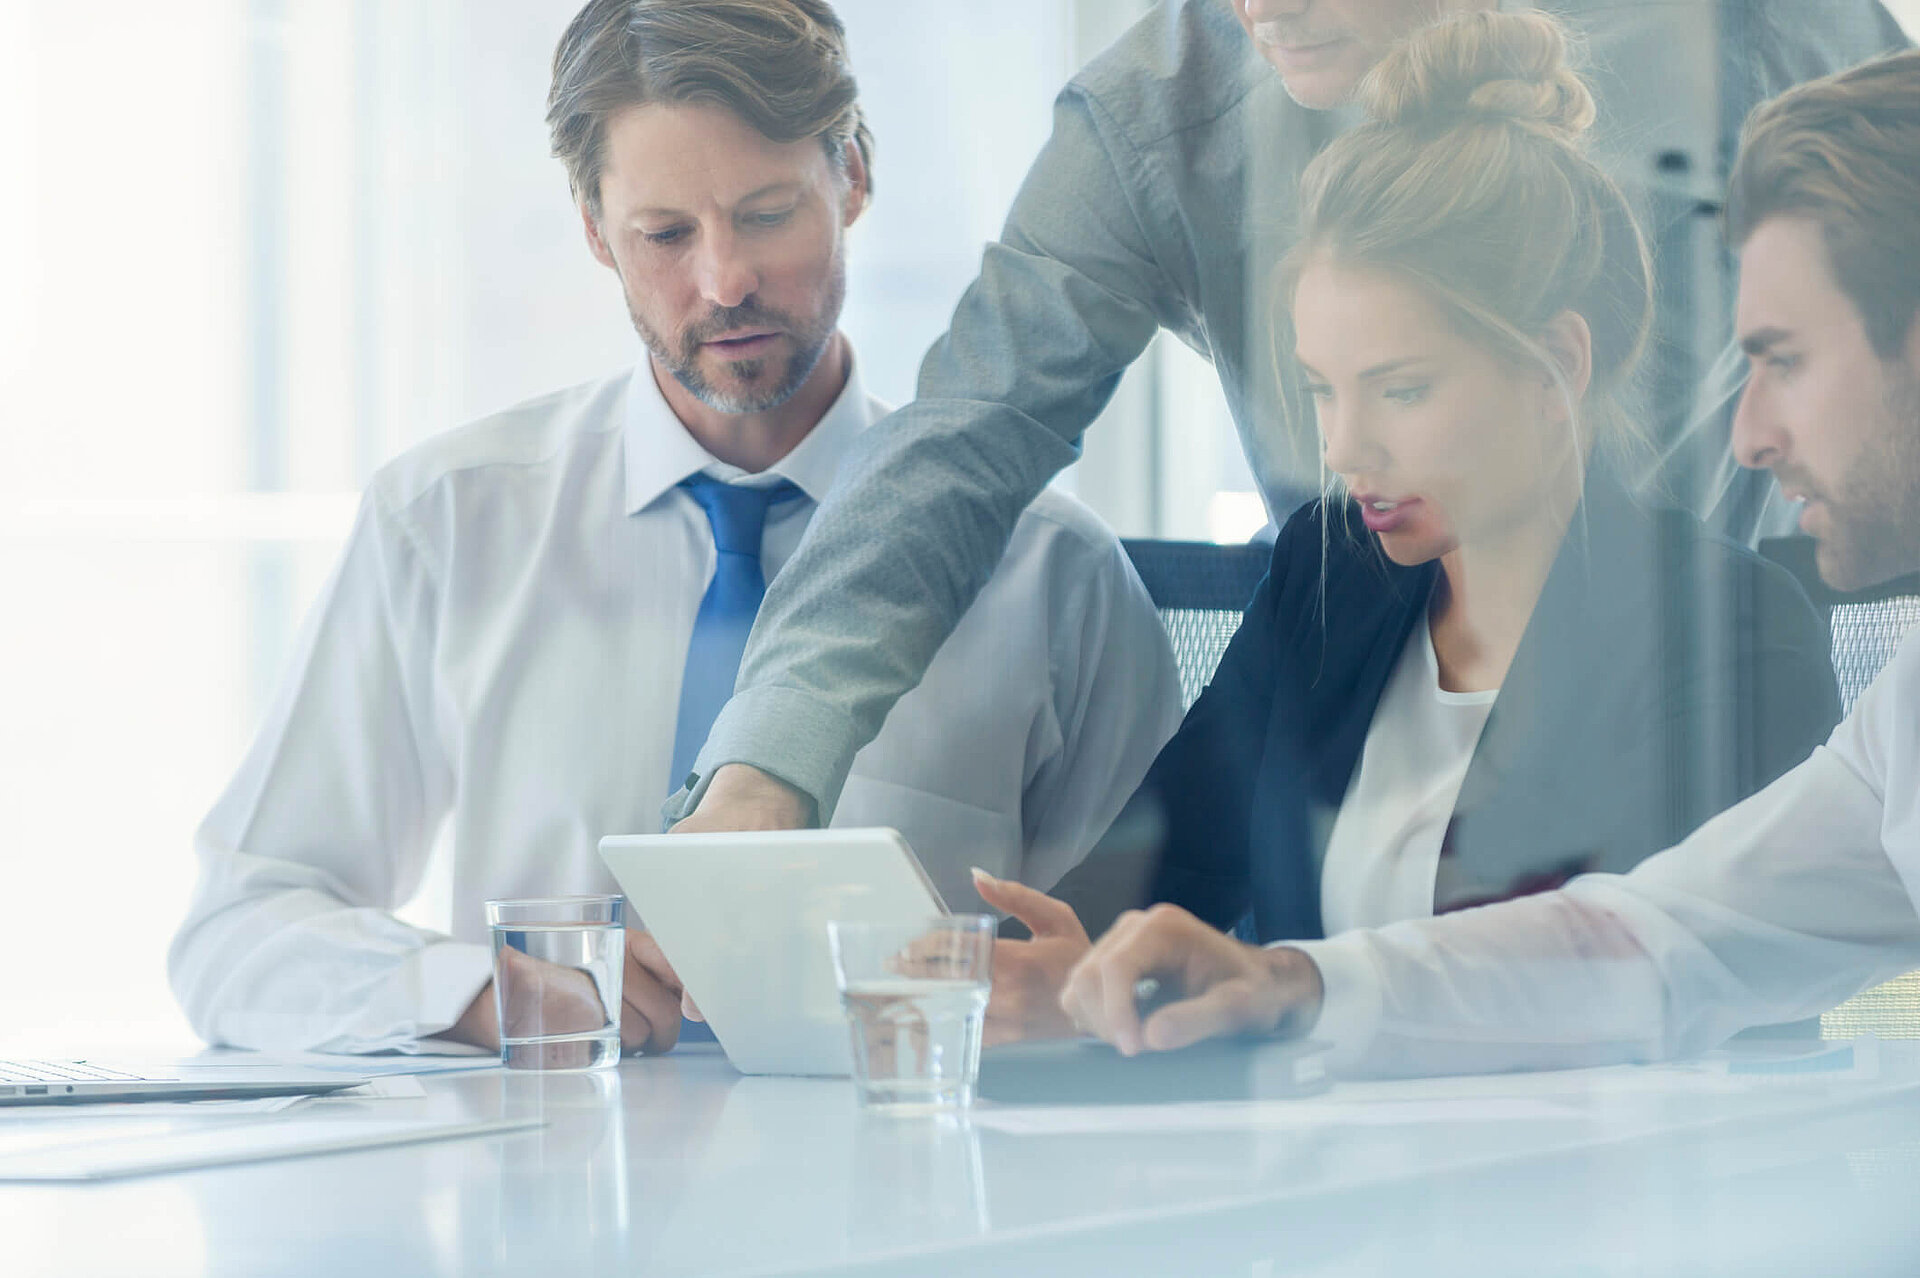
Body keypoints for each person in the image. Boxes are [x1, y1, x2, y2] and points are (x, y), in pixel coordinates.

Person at [168, 0, 1182, 1057]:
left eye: (768, 213)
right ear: (595, 228)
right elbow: (237, 932)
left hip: (911, 1189)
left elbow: (1182, 962)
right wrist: (485, 994)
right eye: (665, 234)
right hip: (543, 1192)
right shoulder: (449, 525)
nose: (723, 280)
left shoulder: (1050, 574)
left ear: (854, 180)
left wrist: (1081, 1008)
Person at [666, 0, 1906, 842]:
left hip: (1720, 697)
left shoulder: (1753, 31)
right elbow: (961, 442)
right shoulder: (1163, 117)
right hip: (1374, 717)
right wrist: (768, 768)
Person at [972, 8, 1840, 1045]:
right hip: (1314, 1177)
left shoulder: (1736, 633)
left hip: (1600, 1190)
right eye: (1322, 391)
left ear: (1556, 364)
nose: (1343, 450)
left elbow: (1650, 989)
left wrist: (1284, 996)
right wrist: (1051, 960)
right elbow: (1162, 874)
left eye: (1401, 389)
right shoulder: (1329, 574)